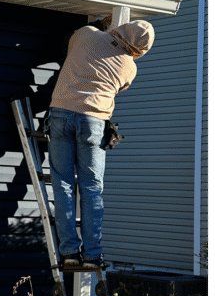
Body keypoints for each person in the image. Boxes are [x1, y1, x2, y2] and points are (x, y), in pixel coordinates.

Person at [47, 19, 155, 269]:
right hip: (93, 121)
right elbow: (121, 88)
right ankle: (92, 255)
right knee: (91, 188)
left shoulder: (86, 34)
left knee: (62, 183)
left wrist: (103, 27)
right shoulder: (129, 67)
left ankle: (69, 252)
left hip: (60, 113)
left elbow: (74, 41)